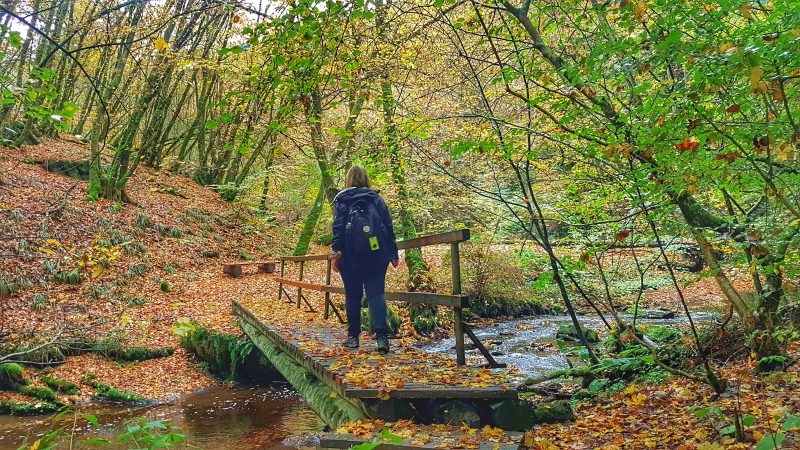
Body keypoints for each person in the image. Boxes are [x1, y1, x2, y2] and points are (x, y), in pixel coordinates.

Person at [331, 165, 399, 354]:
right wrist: (393, 253)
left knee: (352, 296)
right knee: (376, 294)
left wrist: (336, 252)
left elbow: (338, 227)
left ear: (349, 179)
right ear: (366, 178)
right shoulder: (376, 198)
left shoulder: (342, 199)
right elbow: (388, 225)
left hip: (350, 256)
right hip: (377, 256)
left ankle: (353, 338)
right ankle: (382, 338)